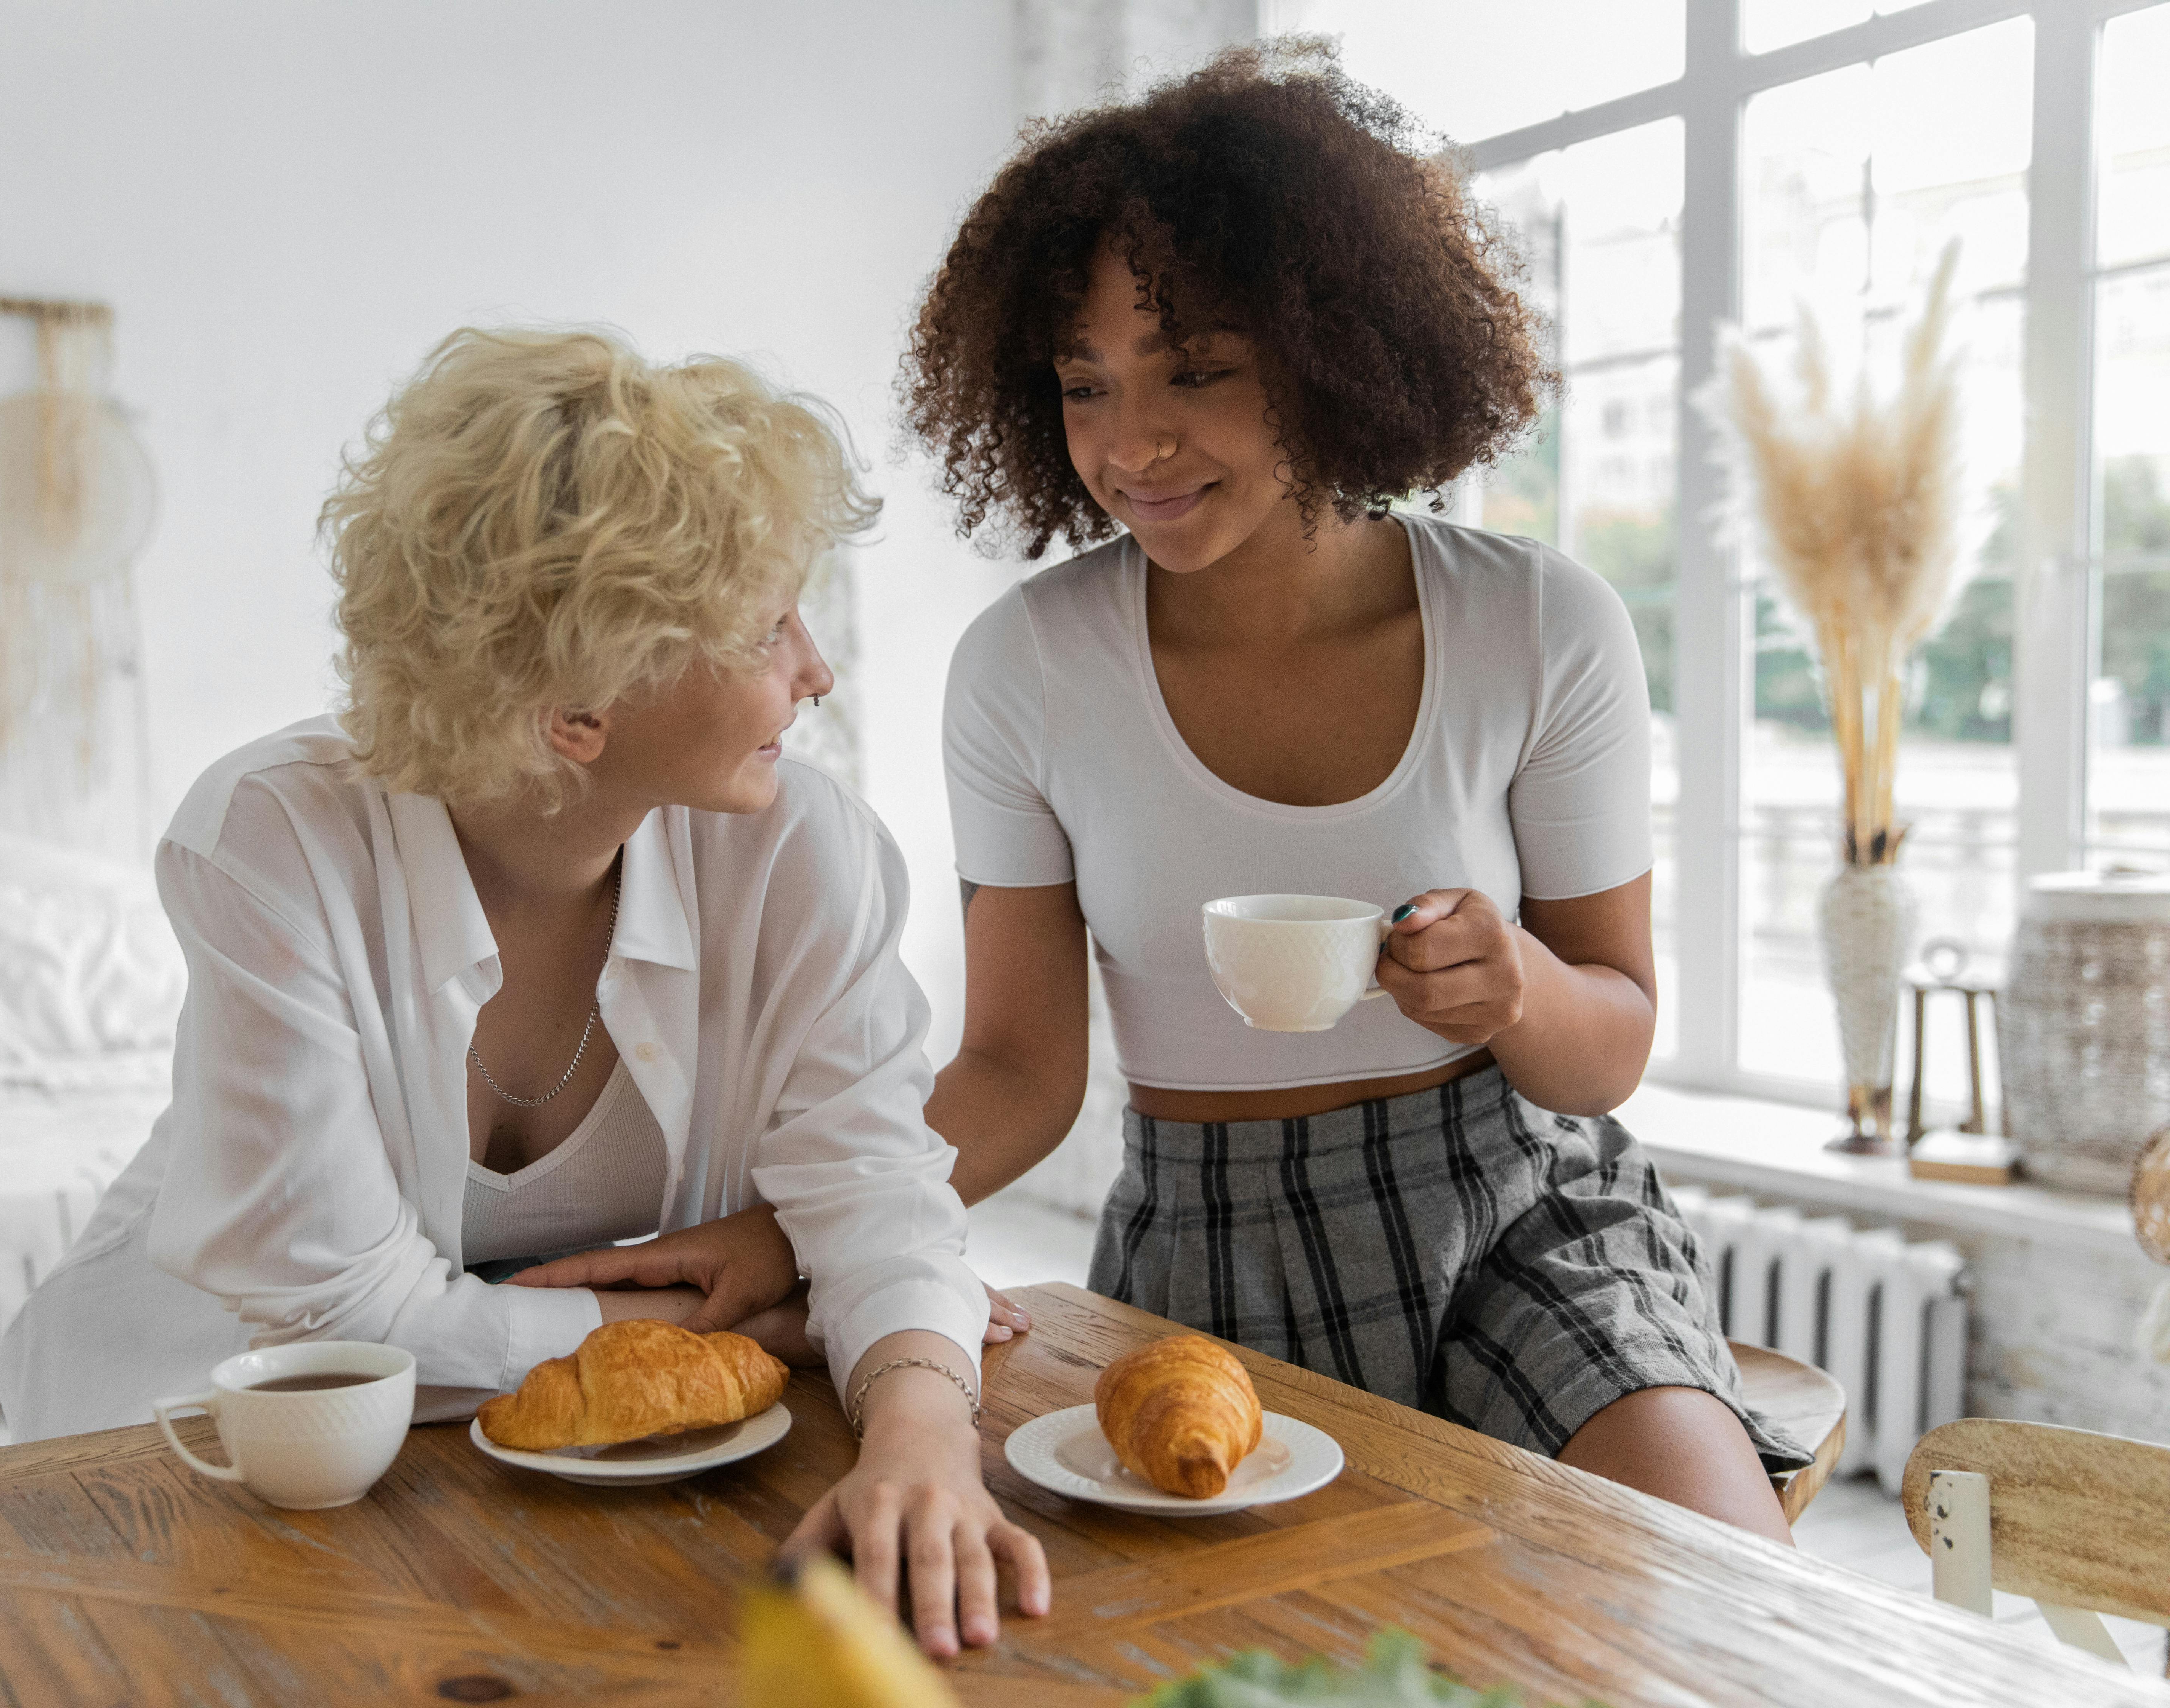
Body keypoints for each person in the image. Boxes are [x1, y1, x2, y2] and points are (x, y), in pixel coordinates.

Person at [539, 42, 1805, 1543]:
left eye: (1195, 370)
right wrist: (793, 1229)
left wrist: (1516, 987)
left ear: (1329, 350)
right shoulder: (1025, 669)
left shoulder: (1538, 623)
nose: (1134, 443)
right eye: (1088, 385)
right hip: (1212, 1246)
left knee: (1717, 1581)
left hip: (1523, 1210)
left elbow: (1609, 1048)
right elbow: (1019, 1069)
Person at [0, 327, 1048, 1655]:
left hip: (613, 1473)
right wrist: (725, 1330)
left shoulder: (799, 845)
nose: (815, 670)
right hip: (226, 1452)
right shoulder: (273, 840)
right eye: (765, 624)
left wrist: (919, 1437)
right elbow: (340, 1322)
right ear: (580, 706)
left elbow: (883, 1205)